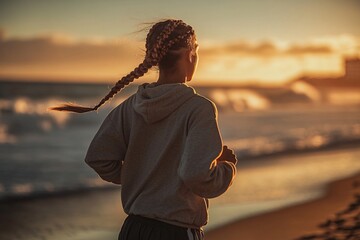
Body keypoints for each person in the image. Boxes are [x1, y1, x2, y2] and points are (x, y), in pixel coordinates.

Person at [51, 19, 237, 240]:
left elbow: (98, 157)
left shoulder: (132, 105)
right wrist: (227, 168)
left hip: (134, 230)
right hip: (176, 232)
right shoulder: (199, 108)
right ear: (190, 54)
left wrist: (141, 175)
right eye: (196, 50)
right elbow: (196, 175)